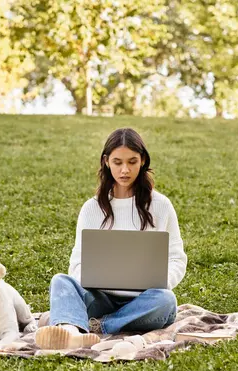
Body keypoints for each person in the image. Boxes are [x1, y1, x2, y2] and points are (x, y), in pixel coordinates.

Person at [35, 127, 188, 350]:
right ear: (106, 161)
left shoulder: (161, 205)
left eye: (132, 162)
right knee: (61, 280)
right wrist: (88, 278)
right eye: (117, 162)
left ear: (143, 161)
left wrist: (162, 281)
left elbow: (177, 258)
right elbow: (76, 263)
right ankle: (69, 332)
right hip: (100, 298)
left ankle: (94, 325)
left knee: (166, 301)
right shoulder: (92, 208)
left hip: (144, 301)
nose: (125, 170)